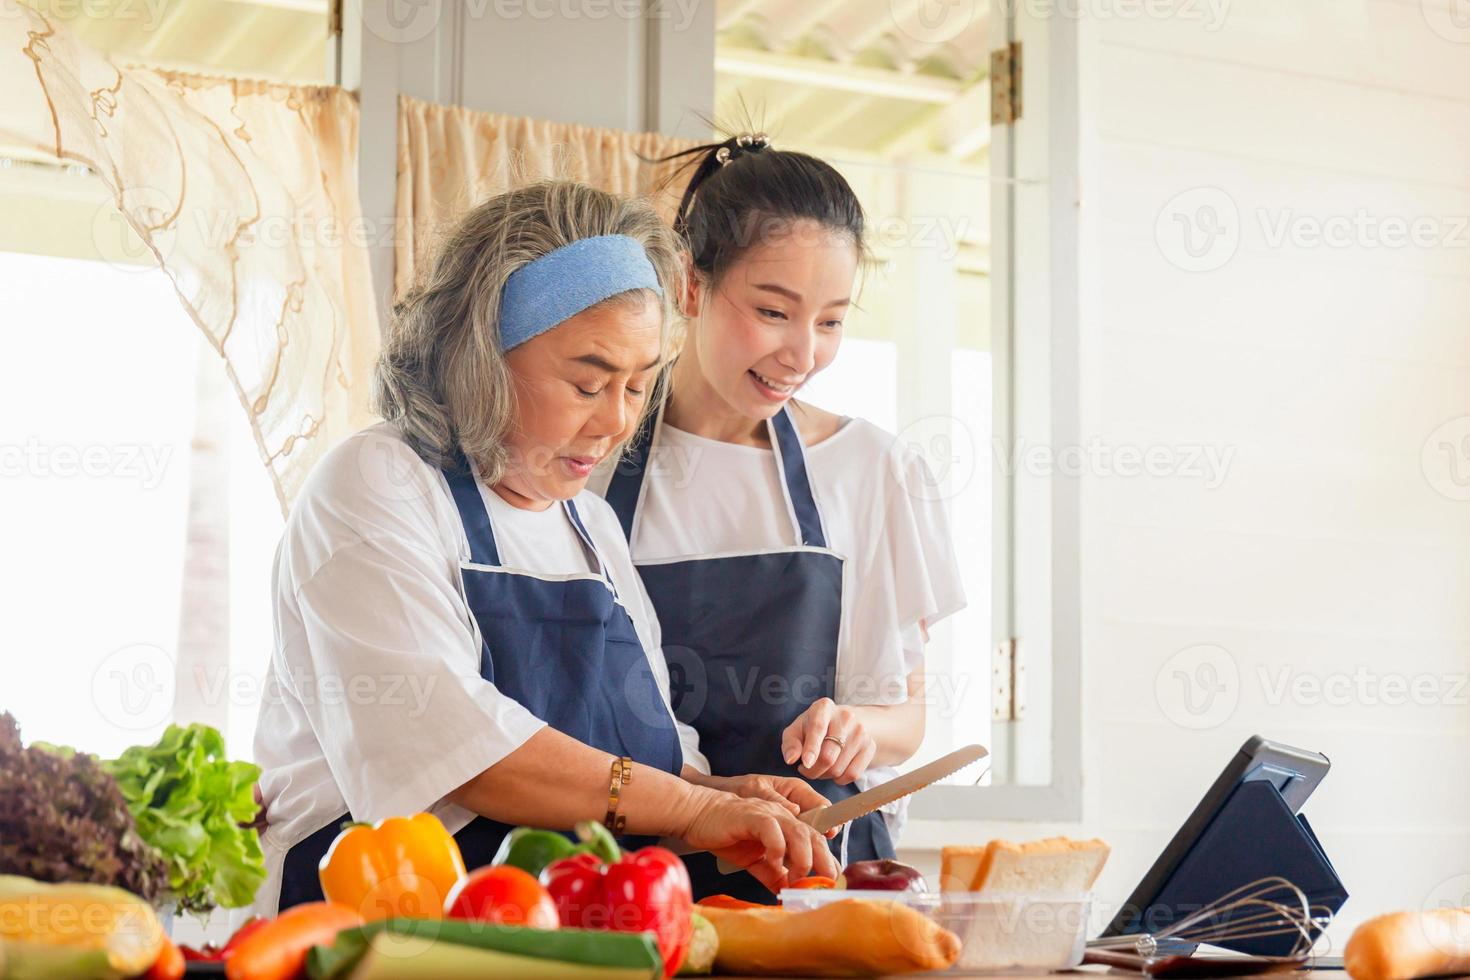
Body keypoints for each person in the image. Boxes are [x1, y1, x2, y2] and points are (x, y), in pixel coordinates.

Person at [251, 180, 837, 916]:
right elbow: (459, 749)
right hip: (369, 925)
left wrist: (727, 799)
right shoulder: (379, 483)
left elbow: (644, 768)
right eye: (589, 383)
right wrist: (691, 810)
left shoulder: (592, 532)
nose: (616, 423)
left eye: (637, 386)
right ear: (481, 359)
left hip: (555, 929)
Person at [598, 136, 966, 902]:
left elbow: (909, 718)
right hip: (636, 881)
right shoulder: (590, 462)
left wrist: (861, 727)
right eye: (773, 311)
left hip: (815, 879)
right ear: (689, 285)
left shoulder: (873, 471)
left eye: (830, 322)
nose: (802, 352)